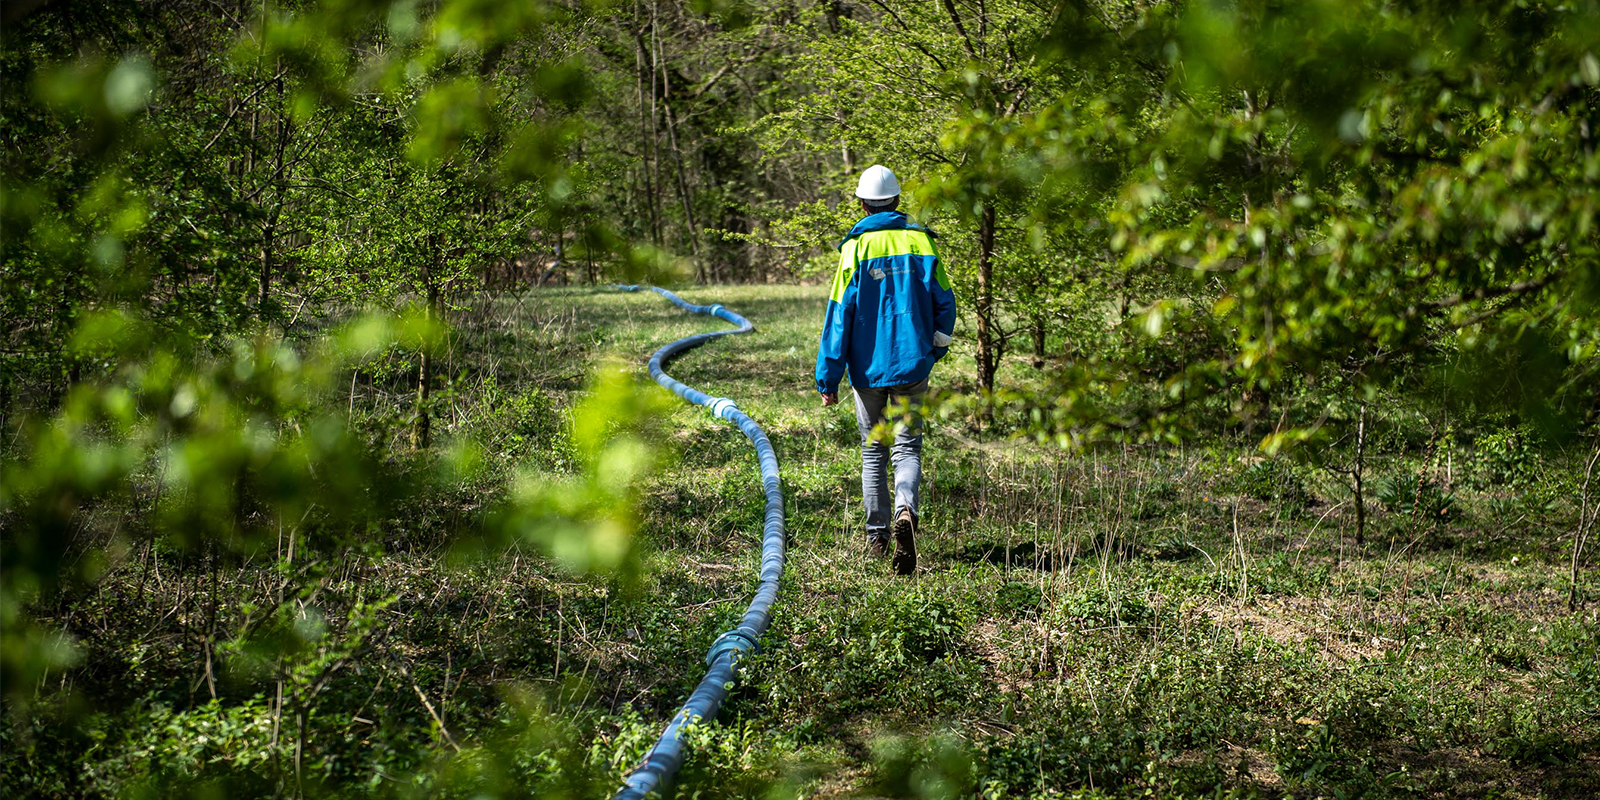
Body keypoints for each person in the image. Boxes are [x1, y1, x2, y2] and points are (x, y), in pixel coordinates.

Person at [815, 165, 957, 576]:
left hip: (868, 369)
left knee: (874, 450)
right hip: (914, 363)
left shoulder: (855, 248)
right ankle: (905, 510)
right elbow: (945, 302)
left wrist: (829, 377)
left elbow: (839, 314)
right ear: (896, 200)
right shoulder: (921, 240)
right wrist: (935, 349)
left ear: (862, 204)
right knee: (908, 446)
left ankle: (877, 537)